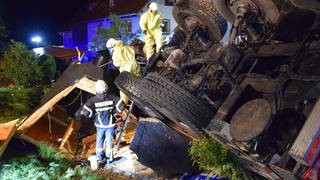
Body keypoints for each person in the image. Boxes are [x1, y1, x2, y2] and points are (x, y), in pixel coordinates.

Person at [77, 80, 123, 165]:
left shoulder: (93, 100)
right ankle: (109, 159)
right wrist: (115, 112)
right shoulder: (112, 97)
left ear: (97, 89)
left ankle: (99, 158)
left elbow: (85, 111)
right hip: (110, 124)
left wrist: (92, 115)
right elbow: (121, 104)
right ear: (106, 87)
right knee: (109, 141)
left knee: (99, 141)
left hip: (99, 125)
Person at [106, 38, 140, 104]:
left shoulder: (116, 52)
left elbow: (117, 64)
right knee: (137, 83)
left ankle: (124, 103)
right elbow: (133, 53)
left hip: (127, 69)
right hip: (135, 66)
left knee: (124, 88)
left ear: (112, 46)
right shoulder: (127, 47)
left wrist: (113, 62)